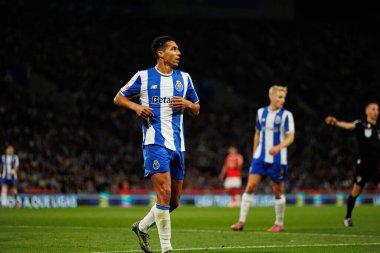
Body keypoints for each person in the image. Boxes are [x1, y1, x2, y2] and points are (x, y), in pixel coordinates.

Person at [114, 35, 200, 253]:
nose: (178, 53)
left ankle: (142, 227)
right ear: (161, 53)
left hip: (178, 145)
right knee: (163, 193)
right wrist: (136, 108)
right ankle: (167, 249)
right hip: (155, 142)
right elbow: (118, 98)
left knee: (174, 201)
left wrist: (188, 103)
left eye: (178, 49)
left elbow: (197, 109)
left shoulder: (185, 78)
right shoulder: (143, 77)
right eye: (173, 49)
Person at [230, 85, 295, 232]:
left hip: (278, 159)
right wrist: (254, 154)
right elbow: (257, 134)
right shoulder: (261, 113)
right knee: (250, 186)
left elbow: (291, 137)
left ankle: (279, 223)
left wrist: (278, 147)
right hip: (260, 157)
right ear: (271, 97)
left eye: (284, 97)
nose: (282, 100)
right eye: (279, 97)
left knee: (278, 190)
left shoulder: (286, 116)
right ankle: (241, 221)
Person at [325, 101, 380, 227]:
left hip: (376, 165)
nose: (375, 111)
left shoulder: (378, 130)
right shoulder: (361, 124)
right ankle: (348, 217)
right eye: (372, 109)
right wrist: (335, 122)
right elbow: (349, 126)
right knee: (356, 192)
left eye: (377, 109)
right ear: (367, 111)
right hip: (364, 165)